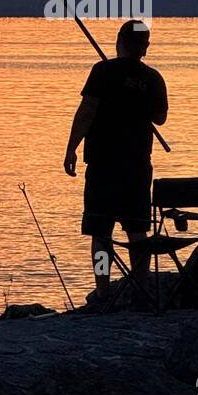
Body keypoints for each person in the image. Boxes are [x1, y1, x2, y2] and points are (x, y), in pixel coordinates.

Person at [63, 19, 168, 298]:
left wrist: (71, 148)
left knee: (101, 233)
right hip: (137, 166)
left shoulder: (102, 71)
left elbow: (87, 110)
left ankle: (103, 291)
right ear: (144, 48)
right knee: (138, 231)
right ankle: (141, 290)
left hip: (103, 165)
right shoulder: (154, 78)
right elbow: (161, 117)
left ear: (120, 42)